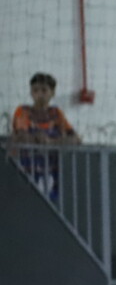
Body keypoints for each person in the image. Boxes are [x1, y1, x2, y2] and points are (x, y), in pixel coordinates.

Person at [9, 72, 81, 201]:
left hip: (51, 171)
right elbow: (22, 136)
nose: (40, 94)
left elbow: (75, 139)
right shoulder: (23, 111)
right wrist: (36, 138)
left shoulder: (56, 113)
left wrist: (51, 142)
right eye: (35, 90)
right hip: (26, 170)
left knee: (50, 205)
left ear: (52, 93)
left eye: (44, 90)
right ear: (31, 93)